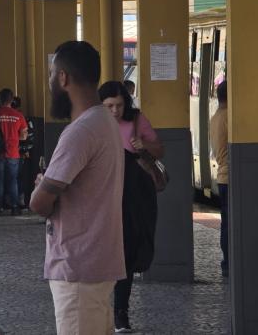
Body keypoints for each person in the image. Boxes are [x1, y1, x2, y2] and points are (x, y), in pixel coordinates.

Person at [30, 41, 126, 334]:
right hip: (97, 260)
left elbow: (39, 203)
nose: (49, 82)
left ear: (63, 78)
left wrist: (41, 189)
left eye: (50, 75)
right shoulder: (105, 122)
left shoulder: (80, 131)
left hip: (78, 266)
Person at [98, 81, 162, 333]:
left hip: (134, 197)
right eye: (109, 106)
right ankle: (102, 308)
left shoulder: (136, 120)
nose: (114, 111)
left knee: (126, 252)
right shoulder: (93, 123)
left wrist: (144, 145)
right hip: (104, 194)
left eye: (119, 105)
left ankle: (120, 311)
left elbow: (160, 149)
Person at [0, 88, 28, 216]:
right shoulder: (18, 115)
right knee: (13, 180)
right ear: (12, 100)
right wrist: (13, 137)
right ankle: (14, 207)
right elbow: (24, 136)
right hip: (13, 153)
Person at [209, 80, 229, 278]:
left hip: (222, 176)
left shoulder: (215, 117)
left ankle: (227, 262)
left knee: (226, 223)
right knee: (230, 225)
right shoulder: (229, 117)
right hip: (231, 177)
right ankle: (230, 262)